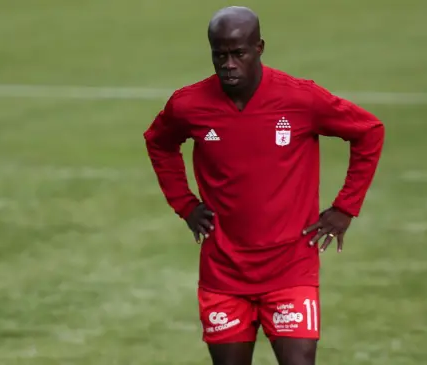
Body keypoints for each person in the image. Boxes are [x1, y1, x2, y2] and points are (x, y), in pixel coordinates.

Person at [143, 6, 385, 365]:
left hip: (290, 269)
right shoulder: (188, 105)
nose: (228, 64)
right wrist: (185, 204)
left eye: (238, 53)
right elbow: (159, 142)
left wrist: (345, 207)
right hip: (223, 273)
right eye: (219, 54)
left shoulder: (300, 99)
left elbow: (368, 131)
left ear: (259, 47)